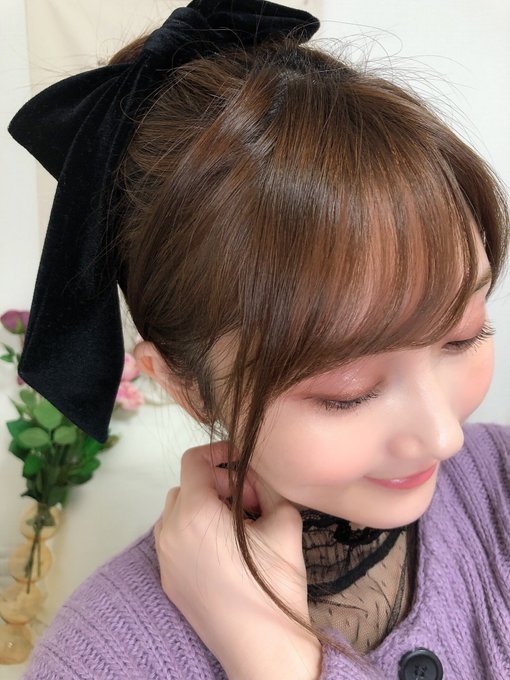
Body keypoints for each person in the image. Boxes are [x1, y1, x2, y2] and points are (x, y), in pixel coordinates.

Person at [8, 1, 509, 678]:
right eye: (348, 393)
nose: (444, 437)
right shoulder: (97, 661)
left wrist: (276, 662)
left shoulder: (500, 483)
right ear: (185, 384)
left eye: (463, 335)